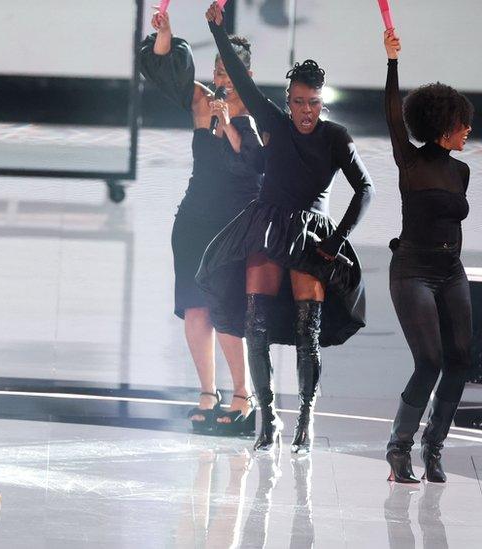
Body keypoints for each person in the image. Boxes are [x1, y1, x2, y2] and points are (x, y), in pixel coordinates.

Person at [197, 2, 375, 453]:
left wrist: (335, 242)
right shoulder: (273, 120)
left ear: (322, 100)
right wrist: (218, 31)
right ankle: (268, 419)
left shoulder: (337, 137)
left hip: (313, 236)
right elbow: (240, 79)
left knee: (306, 333)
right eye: (298, 102)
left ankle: (306, 419)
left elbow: (365, 190)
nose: (306, 112)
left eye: (314, 103)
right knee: (255, 324)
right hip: (268, 225)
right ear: (289, 100)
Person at [139, 8, 263, 434]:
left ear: (246, 72)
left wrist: (228, 122)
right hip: (194, 218)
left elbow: (255, 163)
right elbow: (164, 70)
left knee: (226, 308)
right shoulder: (199, 99)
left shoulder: (258, 109)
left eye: (230, 69)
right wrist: (166, 33)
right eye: (217, 67)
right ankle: (207, 392)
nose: (221, 76)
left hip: (235, 223)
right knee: (195, 307)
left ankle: (243, 394)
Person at [381, 29, 473, 484]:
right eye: (462, 123)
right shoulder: (410, 162)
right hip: (412, 270)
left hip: (450, 271)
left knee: (460, 357)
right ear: (442, 126)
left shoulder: (462, 170)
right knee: (429, 361)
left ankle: (433, 448)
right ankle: (399, 449)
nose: (468, 130)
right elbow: (393, 115)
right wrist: (392, 62)